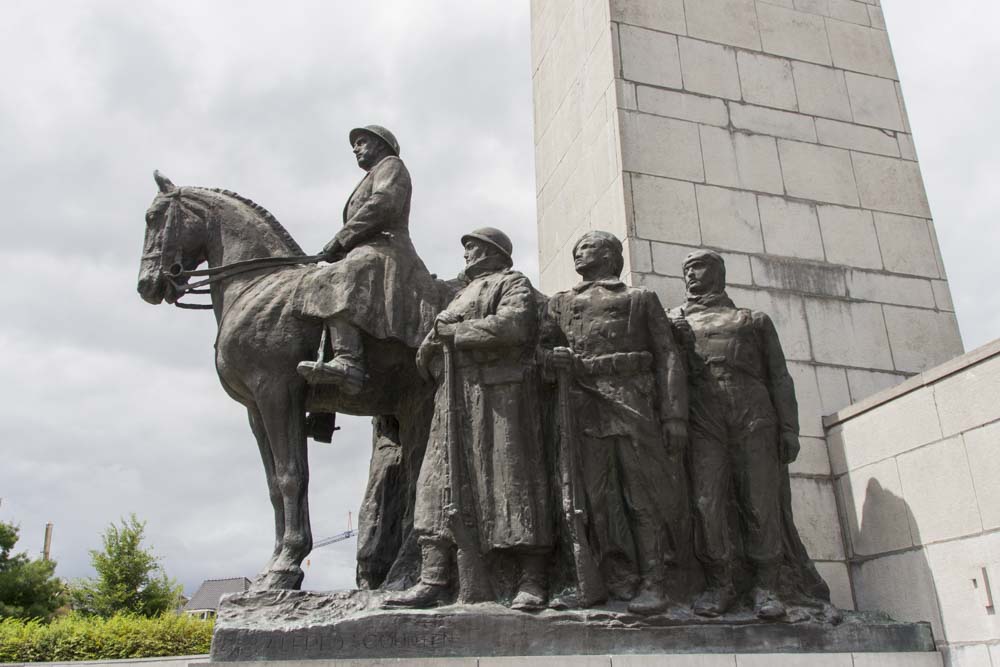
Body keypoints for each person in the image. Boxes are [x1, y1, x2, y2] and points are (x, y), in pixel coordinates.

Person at [384, 227, 553, 610]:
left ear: (493, 252)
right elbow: (432, 344)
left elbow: (514, 326)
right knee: (436, 484)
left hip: (499, 395)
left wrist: (456, 333)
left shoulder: (512, 283)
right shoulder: (460, 295)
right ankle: (433, 578)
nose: (466, 254)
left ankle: (531, 580)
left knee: (511, 483)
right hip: (452, 400)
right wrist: (429, 350)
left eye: (472, 247)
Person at [541, 231, 688, 615]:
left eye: (587, 247)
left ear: (609, 255)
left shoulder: (638, 299)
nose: (578, 253)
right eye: (576, 249)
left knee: (642, 496)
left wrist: (674, 415)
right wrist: (551, 359)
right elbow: (539, 355)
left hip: (632, 401)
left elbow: (668, 356)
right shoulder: (559, 304)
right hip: (583, 405)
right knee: (592, 499)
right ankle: (607, 578)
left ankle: (654, 580)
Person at [670, 249, 801, 620]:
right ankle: (719, 583)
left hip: (753, 414)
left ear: (718, 273)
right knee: (706, 502)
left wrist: (790, 428)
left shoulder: (752, 320)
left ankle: (766, 586)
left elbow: (779, 376)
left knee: (759, 502)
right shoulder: (674, 320)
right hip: (703, 417)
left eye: (699, 267)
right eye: (687, 270)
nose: (692, 275)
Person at [297, 125, 440, 394]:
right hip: (364, 248)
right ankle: (322, 404)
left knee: (334, 278)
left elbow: (383, 204)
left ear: (381, 145)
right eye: (356, 144)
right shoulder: (372, 174)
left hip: (387, 248)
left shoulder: (392, 165)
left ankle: (349, 360)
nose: (355, 148)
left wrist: (341, 239)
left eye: (362, 142)